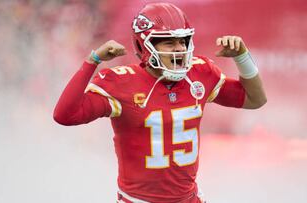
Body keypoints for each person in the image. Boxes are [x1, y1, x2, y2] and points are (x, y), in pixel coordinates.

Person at [53, 2, 266, 203]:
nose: (179, 49)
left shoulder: (200, 73)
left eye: (182, 41)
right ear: (144, 46)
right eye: (169, 42)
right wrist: (92, 61)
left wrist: (242, 57)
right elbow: (65, 115)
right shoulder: (121, 82)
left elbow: (255, 99)